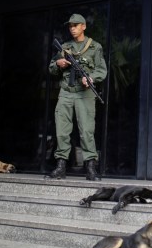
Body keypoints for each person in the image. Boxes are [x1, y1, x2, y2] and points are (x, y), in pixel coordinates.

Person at [45, 13, 107, 181]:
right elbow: (52, 68)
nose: (72, 28)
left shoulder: (95, 47)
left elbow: (102, 70)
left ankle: (90, 167)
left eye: (76, 25)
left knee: (86, 130)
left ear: (83, 26)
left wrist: (91, 78)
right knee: (62, 131)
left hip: (85, 94)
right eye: (71, 26)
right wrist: (58, 63)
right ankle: (60, 166)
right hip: (66, 92)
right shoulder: (64, 47)